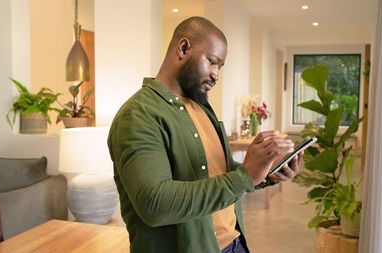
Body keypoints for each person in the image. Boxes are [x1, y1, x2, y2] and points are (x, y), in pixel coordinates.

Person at [108, 16, 303, 253]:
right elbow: (154, 203)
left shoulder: (201, 107)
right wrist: (245, 177)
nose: (216, 75)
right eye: (212, 62)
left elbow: (214, 171)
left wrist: (266, 172)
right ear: (183, 48)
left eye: (220, 67)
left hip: (233, 242)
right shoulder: (139, 115)